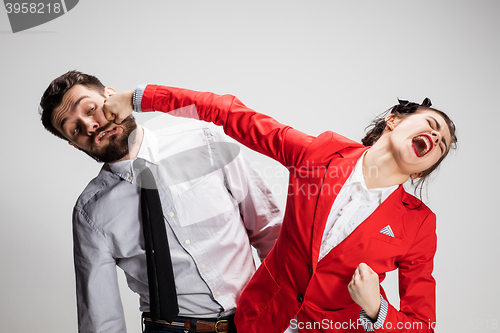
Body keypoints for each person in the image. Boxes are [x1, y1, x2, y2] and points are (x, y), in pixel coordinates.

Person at [103, 84, 457, 333]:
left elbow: (420, 325)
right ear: (394, 119)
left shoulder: (419, 224)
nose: (437, 138)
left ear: (424, 167)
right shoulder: (319, 155)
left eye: (442, 144)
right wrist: (139, 96)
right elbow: (229, 112)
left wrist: (377, 311)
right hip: (259, 323)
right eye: (432, 125)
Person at [38, 71, 282, 333]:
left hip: (259, 320)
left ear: (111, 96)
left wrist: (288, 311)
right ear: (75, 145)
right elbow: (101, 317)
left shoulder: (205, 141)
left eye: (90, 108)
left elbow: (271, 232)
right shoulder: (90, 213)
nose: (89, 125)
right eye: (75, 129)